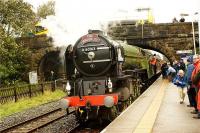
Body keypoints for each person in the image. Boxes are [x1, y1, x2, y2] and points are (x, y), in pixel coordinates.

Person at [191, 54, 200, 119]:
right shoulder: (196, 65)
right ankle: (198, 111)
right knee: (197, 98)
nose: (193, 60)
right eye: (193, 58)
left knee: (199, 99)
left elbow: (197, 76)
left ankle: (199, 113)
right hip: (197, 84)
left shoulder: (199, 65)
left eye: (195, 58)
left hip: (198, 84)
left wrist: (194, 81)